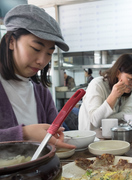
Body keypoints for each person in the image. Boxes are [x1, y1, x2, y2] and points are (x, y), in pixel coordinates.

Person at [0, 4, 75, 149]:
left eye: (49, 53)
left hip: (39, 169)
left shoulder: (41, 92)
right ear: (11, 42)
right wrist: (24, 133)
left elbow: (54, 130)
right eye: (36, 49)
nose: (42, 61)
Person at [78, 53, 132, 131]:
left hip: (112, 137)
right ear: (117, 73)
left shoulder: (127, 89)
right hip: (92, 138)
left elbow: (129, 113)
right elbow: (96, 121)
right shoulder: (97, 85)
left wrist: (107, 119)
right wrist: (113, 96)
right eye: (131, 79)